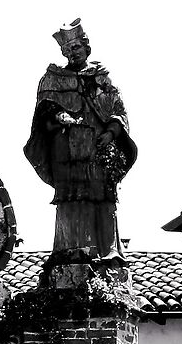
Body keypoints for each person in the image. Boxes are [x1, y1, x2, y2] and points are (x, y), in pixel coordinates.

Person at [23, 18, 135, 259]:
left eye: (75, 48)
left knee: (103, 199)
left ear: (86, 47)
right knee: (71, 200)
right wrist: (58, 116)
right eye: (66, 50)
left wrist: (111, 132)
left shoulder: (102, 78)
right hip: (67, 152)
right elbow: (43, 115)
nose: (71, 53)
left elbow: (118, 110)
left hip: (97, 150)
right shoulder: (52, 78)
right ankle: (70, 250)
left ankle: (108, 252)